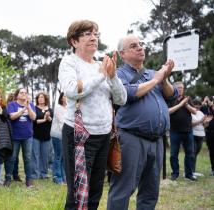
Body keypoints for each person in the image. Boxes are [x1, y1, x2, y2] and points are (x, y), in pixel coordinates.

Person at [59, 20, 127, 210]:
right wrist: (101, 75)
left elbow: (121, 99)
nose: (93, 37)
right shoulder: (69, 62)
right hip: (78, 135)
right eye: (88, 34)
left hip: (104, 135)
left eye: (96, 34)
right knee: (77, 194)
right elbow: (72, 90)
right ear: (74, 41)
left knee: (96, 191)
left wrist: (112, 76)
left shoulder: (102, 65)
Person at [107, 35, 178, 210]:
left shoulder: (153, 73)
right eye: (134, 46)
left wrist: (165, 78)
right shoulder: (119, 74)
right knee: (123, 189)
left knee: (150, 191)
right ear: (122, 54)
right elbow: (128, 94)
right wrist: (156, 80)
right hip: (131, 138)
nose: (140, 48)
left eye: (141, 44)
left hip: (157, 140)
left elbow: (172, 96)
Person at [5, 88, 36, 188]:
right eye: (21, 93)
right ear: (17, 95)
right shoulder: (12, 105)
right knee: (12, 158)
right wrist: (23, 110)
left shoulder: (31, 105)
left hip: (28, 136)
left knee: (28, 158)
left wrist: (28, 107)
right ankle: (8, 178)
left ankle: (29, 180)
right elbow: (12, 117)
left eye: (25, 93)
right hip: (15, 136)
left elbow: (33, 118)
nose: (24, 94)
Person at [169, 81, 197, 181]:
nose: (181, 89)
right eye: (179, 88)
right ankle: (175, 173)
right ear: (175, 88)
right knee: (173, 154)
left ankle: (189, 174)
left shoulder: (187, 99)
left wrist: (186, 105)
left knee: (190, 154)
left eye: (182, 88)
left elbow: (195, 111)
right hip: (174, 131)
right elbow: (168, 111)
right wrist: (180, 104)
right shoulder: (171, 99)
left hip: (188, 131)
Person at [31, 91, 53, 179]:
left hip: (47, 136)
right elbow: (34, 121)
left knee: (45, 156)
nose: (40, 99)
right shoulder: (34, 109)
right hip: (35, 135)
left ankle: (44, 174)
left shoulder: (50, 110)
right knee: (35, 155)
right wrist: (44, 119)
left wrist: (48, 117)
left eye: (42, 97)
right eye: (39, 97)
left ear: (45, 99)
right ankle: (35, 174)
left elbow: (52, 121)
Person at [50, 92, 67, 184]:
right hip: (58, 135)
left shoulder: (70, 109)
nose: (66, 98)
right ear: (61, 98)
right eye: (64, 96)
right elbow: (62, 122)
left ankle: (64, 177)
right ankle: (57, 178)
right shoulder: (58, 108)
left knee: (64, 157)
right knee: (58, 156)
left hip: (67, 136)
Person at [191, 99, 208, 177]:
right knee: (192, 153)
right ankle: (190, 171)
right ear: (192, 105)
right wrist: (201, 120)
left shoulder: (201, 113)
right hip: (193, 135)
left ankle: (193, 171)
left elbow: (204, 126)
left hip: (201, 135)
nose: (197, 106)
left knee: (196, 154)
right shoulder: (190, 113)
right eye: (196, 105)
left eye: (199, 105)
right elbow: (192, 124)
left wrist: (206, 122)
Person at [203, 97, 214, 176]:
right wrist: (205, 123)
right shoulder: (208, 109)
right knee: (212, 152)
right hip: (209, 133)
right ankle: (213, 169)